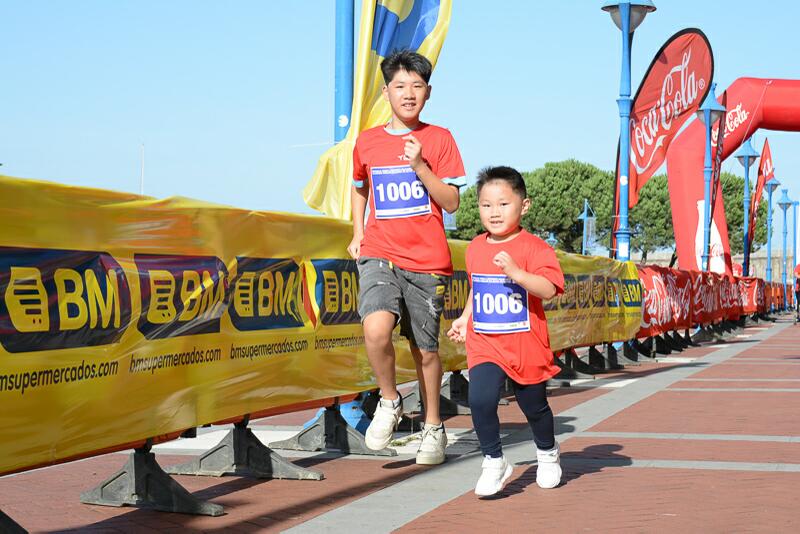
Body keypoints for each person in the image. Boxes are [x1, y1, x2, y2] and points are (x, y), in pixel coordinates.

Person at [348, 50, 466, 464]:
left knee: (425, 351)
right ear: (387, 92)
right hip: (380, 252)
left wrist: (420, 166)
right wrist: (359, 232)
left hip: (427, 260)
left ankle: (433, 425)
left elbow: (451, 202)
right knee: (376, 329)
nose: (408, 93)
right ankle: (389, 400)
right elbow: (360, 186)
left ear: (428, 92)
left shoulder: (440, 138)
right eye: (400, 86)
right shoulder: (367, 141)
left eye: (417, 86)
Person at [447, 166, 564, 496]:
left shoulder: (536, 248)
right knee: (481, 400)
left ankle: (547, 453)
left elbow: (548, 289)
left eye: (503, 204)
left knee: (534, 407)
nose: (494, 212)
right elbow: (477, 288)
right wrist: (465, 317)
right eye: (486, 205)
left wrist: (516, 272)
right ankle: (494, 461)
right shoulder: (474, 247)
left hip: (526, 345)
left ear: (524, 206)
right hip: (485, 343)